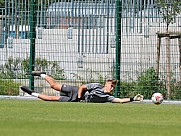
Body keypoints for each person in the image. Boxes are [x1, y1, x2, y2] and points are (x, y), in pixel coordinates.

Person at [21, 71, 144, 103]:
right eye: (111, 85)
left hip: (75, 100)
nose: (112, 88)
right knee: (53, 86)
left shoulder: (107, 97)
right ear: (107, 83)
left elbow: (121, 101)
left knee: (51, 98)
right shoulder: (97, 86)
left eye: (113, 87)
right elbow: (82, 87)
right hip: (75, 92)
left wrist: (134, 99)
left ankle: (31, 93)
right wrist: (79, 97)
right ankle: (42, 74)